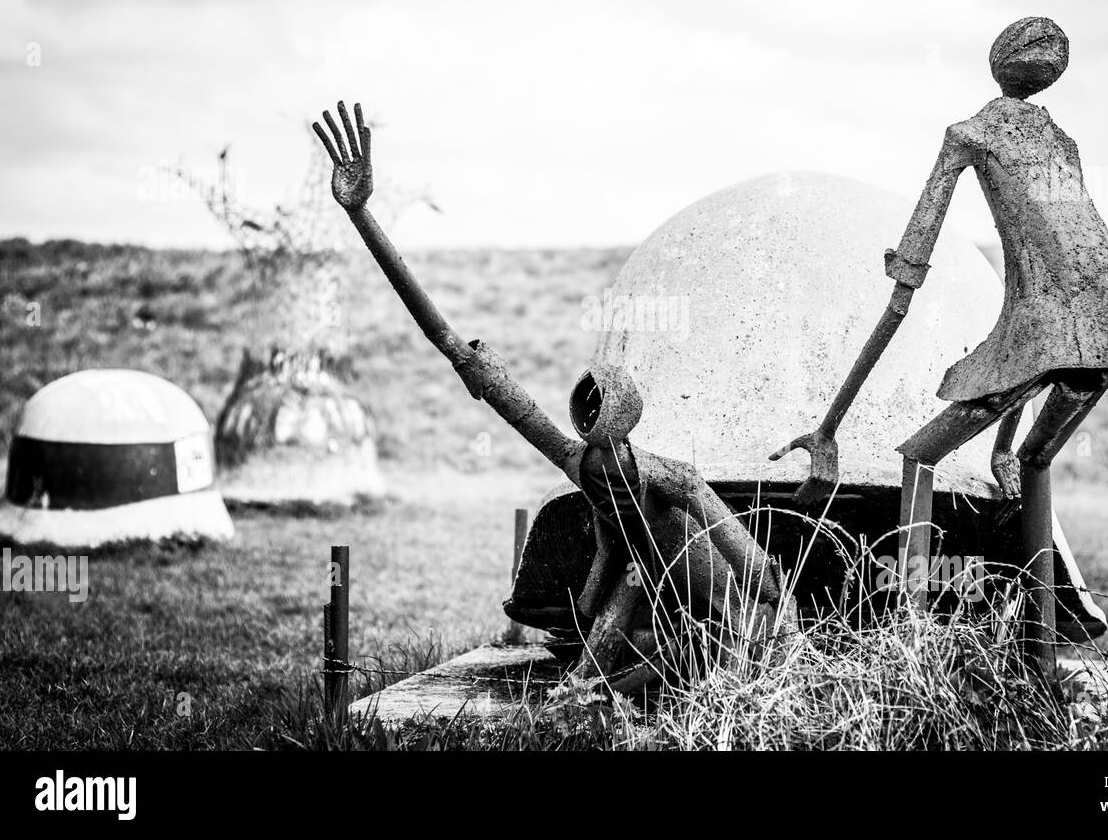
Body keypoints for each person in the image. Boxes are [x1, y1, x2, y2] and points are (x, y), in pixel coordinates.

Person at [311, 102, 788, 688]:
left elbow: (743, 555)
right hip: (654, 592)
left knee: (701, 655)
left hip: (728, 613)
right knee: (630, 653)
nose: (605, 482)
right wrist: (363, 218)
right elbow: (467, 360)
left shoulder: (666, 477)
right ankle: (591, 695)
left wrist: (769, 604)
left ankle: (635, 691)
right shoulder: (582, 462)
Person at [772, 17, 1108, 661]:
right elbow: (1063, 245)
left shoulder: (969, 134)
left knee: (918, 458)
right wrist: (1002, 444)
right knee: (1032, 461)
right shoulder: (1060, 140)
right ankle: (1038, 669)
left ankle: (911, 653)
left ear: (997, 64)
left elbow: (908, 278)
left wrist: (828, 428)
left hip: (1050, 322)